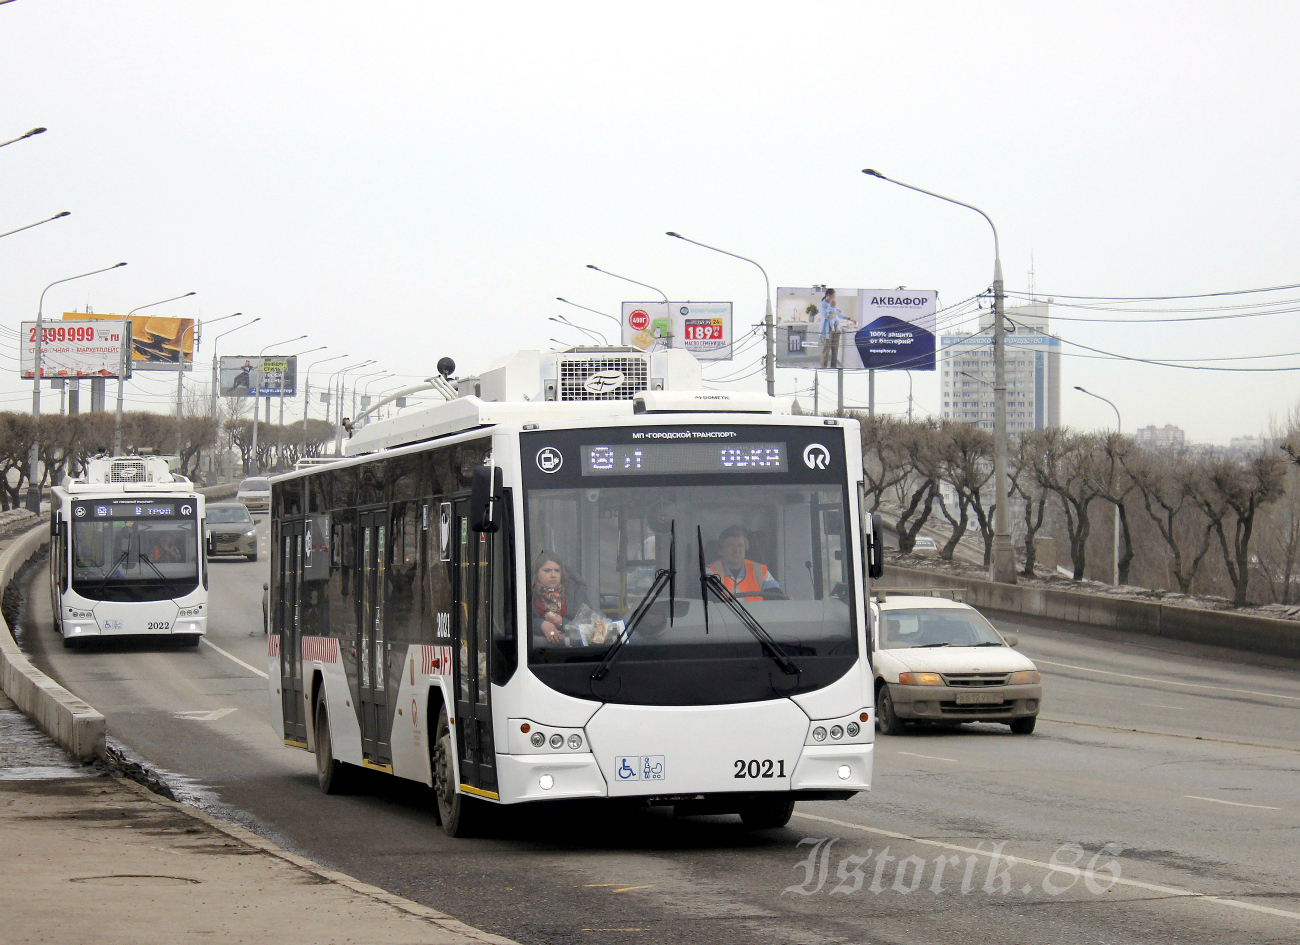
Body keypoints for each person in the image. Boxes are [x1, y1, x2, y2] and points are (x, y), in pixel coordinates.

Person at [530, 551, 593, 644]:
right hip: (536, 649)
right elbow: (512, 625)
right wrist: (541, 625)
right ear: (536, 573)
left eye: (557, 570)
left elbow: (589, 625)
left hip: (571, 649)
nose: (553, 575)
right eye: (547, 571)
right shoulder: (526, 593)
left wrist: (561, 622)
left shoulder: (575, 592)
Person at [708, 526, 783, 602]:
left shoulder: (760, 571)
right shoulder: (710, 572)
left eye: (740, 545)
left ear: (745, 548)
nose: (736, 550)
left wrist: (784, 599)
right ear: (720, 550)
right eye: (730, 545)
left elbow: (776, 597)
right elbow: (709, 597)